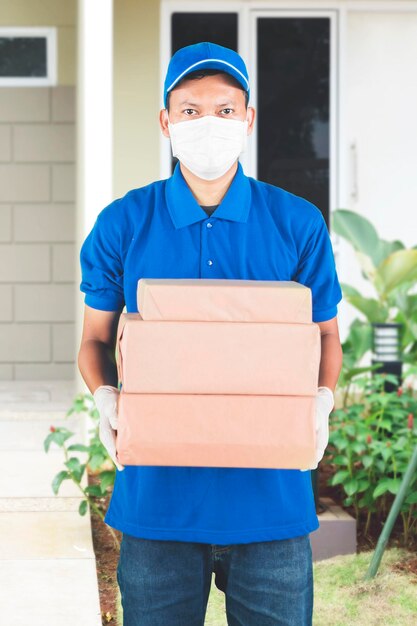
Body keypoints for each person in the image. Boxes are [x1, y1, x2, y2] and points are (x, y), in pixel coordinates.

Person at [78, 41, 343, 626]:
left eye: (225, 110)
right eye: (190, 110)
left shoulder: (296, 222)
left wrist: (321, 401)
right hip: (157, 509)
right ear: (166, 121)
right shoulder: (124, 222)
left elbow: (325, 335)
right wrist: (105, 396)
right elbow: (96, 340)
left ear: (248, 119)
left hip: (271, 508)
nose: (208, 125)